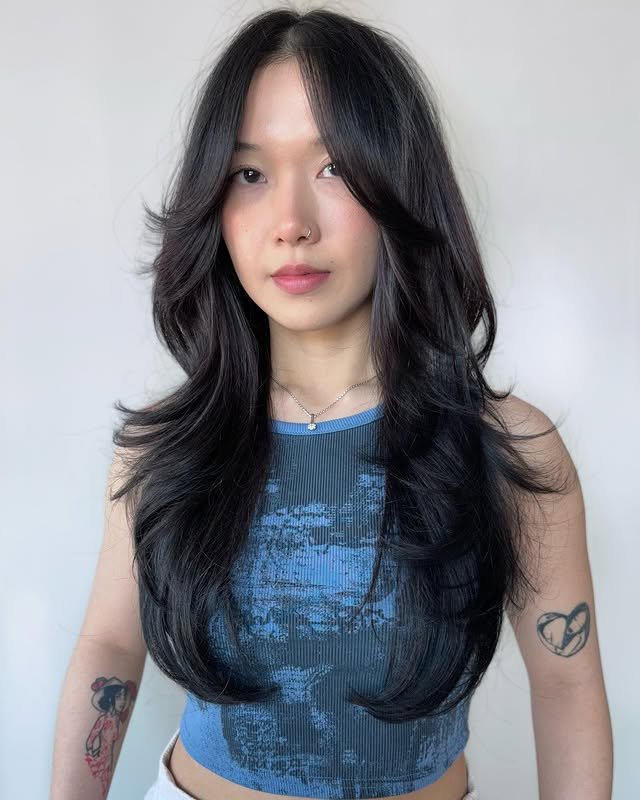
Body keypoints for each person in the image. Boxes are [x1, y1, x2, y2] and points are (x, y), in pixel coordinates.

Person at [50, 6, 613, 800]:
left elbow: (566, 684)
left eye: (334, 168)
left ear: (398, 186)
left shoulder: (508, 450)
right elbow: (110, 648)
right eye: (250, 174)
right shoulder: (162, 449)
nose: (291, 224)